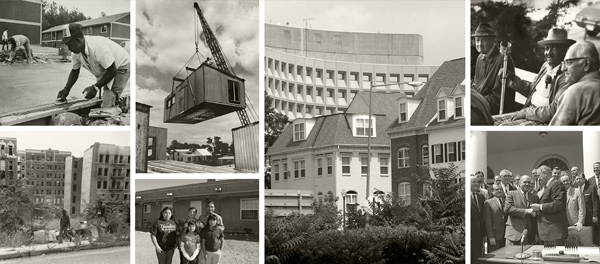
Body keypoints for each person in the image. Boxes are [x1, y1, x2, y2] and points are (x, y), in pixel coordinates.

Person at [500, 27, 574, 124]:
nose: (548, 53)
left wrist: (526, 114)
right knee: (491, 121)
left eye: (554, 48)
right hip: (529, 112)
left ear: (565, 50)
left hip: (543, 121)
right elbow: (531, 91)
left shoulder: (566, 76)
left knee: (503, 127)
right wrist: (513, 79)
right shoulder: (545, 66)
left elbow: (554, 111)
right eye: (547, 48)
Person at [55, 23, 130, 107]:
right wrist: (66, 89)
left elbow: (112, 71)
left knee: (108, 97)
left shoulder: (98, 48)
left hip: (122, 64)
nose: (69, 49)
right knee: (104, 93)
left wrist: (95, 87)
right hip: (108, 66)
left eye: (70, 45)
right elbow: (75, 71)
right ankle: (115, 103)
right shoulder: (75, 53)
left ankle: (115, 105)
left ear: (78, 40)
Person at [471, 22, 519, 115]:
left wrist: (476, 102)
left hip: (498, 110)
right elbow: (476, 85)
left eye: (483, 40)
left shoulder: (503, 59)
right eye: (477, 40)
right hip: (481, 104)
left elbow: (497, 98)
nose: (479, 44)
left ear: (492, 40)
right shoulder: (480, 58)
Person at [549, 41, 600, 125]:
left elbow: (555, 133)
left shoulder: (576, 91)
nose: (563, 69)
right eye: (563, 63)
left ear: (586, 64)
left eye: (568, 62)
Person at [531, 165, 568, 245]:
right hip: (547, 232)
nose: (538, 179)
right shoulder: (547, 187)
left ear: (544, 173)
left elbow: (558, 204)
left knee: (554, 257)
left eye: (538, 176)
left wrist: (540, 207)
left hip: (554, 232)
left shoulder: (556, 184)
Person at [505, 175, 539, 245]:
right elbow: (508, 209)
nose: (527, 184)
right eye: (525, 182)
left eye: (529, 182)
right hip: (514, 233)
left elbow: (536, 217)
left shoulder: (534, 197)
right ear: (519, 183)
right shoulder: (512, 194)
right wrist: (526, 211)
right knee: (510, 255)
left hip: (529, 234)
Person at [575, 173, 599, 245]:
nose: (578, 180)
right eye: (577, 179)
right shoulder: (574, 190)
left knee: (592, 235)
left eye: (580, 178)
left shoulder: (591, 188)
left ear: (584, 179)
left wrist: (595, 215)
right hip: (579, 218)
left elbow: (595, 202)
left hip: (589, 216)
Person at [484, 184, 507, 251]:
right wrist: (491, 237)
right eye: (497, 189)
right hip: (495, 236)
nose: (499, 191)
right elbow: (488, 221)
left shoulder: (506, 202)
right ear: (492, 191)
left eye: (501, 189)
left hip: (505, 236)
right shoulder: (488, 203)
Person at [471, 175, 485, 263]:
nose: (477, 184)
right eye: (474, 182)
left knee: (478, 257)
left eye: (478, 182)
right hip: (470, 233)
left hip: (479, 234)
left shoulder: (481, 197)